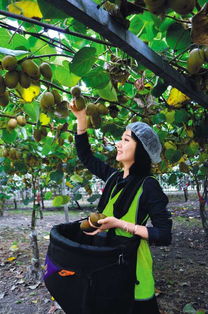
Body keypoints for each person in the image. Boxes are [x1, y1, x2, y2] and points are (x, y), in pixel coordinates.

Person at [70, 103, 172, 314]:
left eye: (126, 140)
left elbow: (164, 235)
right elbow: (86, 156)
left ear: (141, 149)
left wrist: (121, 224)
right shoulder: (114, 177)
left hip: (133, 267)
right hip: (106, 261)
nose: (118, 144)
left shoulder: (148, 185)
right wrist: (81, 119)